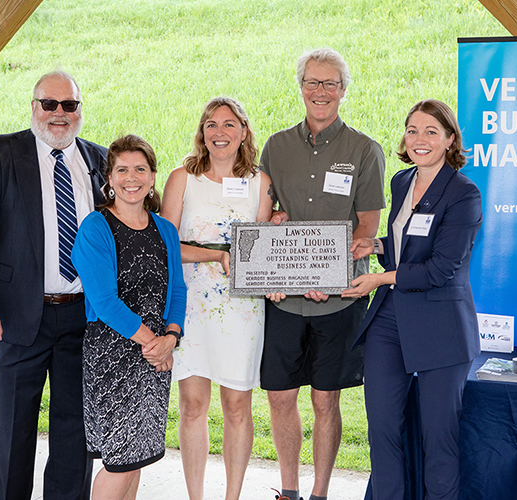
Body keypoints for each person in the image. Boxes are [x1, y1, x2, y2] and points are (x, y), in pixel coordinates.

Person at [0, 70, 107, 499]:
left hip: (82, 317)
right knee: (11, 431)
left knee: (74, 434)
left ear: (80, 109)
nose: (59, 114)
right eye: (50, 104)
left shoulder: (97, 160)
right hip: (17, 317)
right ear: (34, 107)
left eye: (70, 105)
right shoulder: (0, 153)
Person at [259, 48, 386, 500]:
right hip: (283, 300)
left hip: (341, 299)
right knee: (279, 396)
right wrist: (276, 242)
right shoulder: (275, 147)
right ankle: (288, 491)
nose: (320, 92)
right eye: (312, 82)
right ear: (301, 87)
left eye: (330, 84)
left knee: (325, 399)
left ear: (343, 91)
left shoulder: (365, 150)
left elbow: (367, 228)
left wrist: (327, 275)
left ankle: (319, 493)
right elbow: (264, 216)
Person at [341, 99, 483, 500]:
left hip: (441, 326)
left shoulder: (464, 194)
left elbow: (440, 269)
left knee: (439, 438)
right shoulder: (402, 182)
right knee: (382, 431)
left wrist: (378, 278)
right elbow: (409, 246)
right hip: (389, 322)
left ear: (450, 139)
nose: (420, 140)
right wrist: (377, 243)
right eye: (413, 130)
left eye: (431, 132)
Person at [160, 97, 274, 500]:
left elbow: (262, 249)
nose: (220, 132)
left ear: (243, 131)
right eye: (211, 124)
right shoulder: (182, 178)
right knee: (192, 404)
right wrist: (215, 254)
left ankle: (232, 496)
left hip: (241, 308)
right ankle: (195, 496)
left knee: (237, 405)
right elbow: (165, 243)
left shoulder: (261, 183)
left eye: (229, 124)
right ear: (202, 133)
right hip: (191, 303)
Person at [70, 134, 187, 500]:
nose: (131, 177)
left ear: (153, 177)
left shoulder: (165, 229)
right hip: (113, 359)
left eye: (140, 169)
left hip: (154, 360)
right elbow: (104, 302)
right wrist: (156, 345)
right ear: (109, 177)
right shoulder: (95, 227)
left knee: (137, 457)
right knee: (120, 460)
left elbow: (178, 290)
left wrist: (171, 338)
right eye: (122, 169)